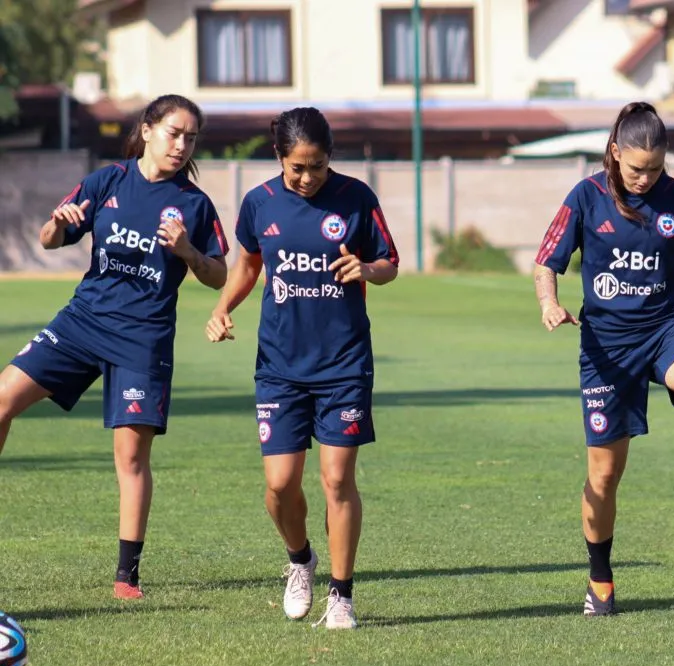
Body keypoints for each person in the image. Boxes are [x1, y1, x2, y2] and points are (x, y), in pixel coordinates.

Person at [533, 101, 674, 617]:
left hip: (666, 326)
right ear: (614, 153)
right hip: (607, 349)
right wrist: (549, 303)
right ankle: (600, 580)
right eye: (636, 168)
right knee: (604, 475)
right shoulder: (586, 197)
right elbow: (546, 262)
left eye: (655, 169)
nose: (644, 178)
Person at [0, 94, 228, 599]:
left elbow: (218, 276)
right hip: (82, 323)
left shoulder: (194, 204)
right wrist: (57, 225)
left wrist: (187, 250)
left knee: (129, 455)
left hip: (142, 340)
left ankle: (127, 575)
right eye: (174, 132)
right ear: (147, 130)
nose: (182, 144)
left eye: (191, 137)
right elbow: (48, 238)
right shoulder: (108, 181)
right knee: (1, 400)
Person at [205, 107, 399, 630]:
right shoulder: (259, 202)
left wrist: (367, 268)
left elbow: (390, 264)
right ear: (279, 159)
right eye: (297, 168)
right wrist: (224, 308)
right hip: (280, 367)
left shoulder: (357, 198)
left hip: (344, 365)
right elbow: (248, 264)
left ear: (329, 158)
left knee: (337, 479)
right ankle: (299, 560)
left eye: (316, 166)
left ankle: (341, 596)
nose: (307, 178)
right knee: (280, 485)